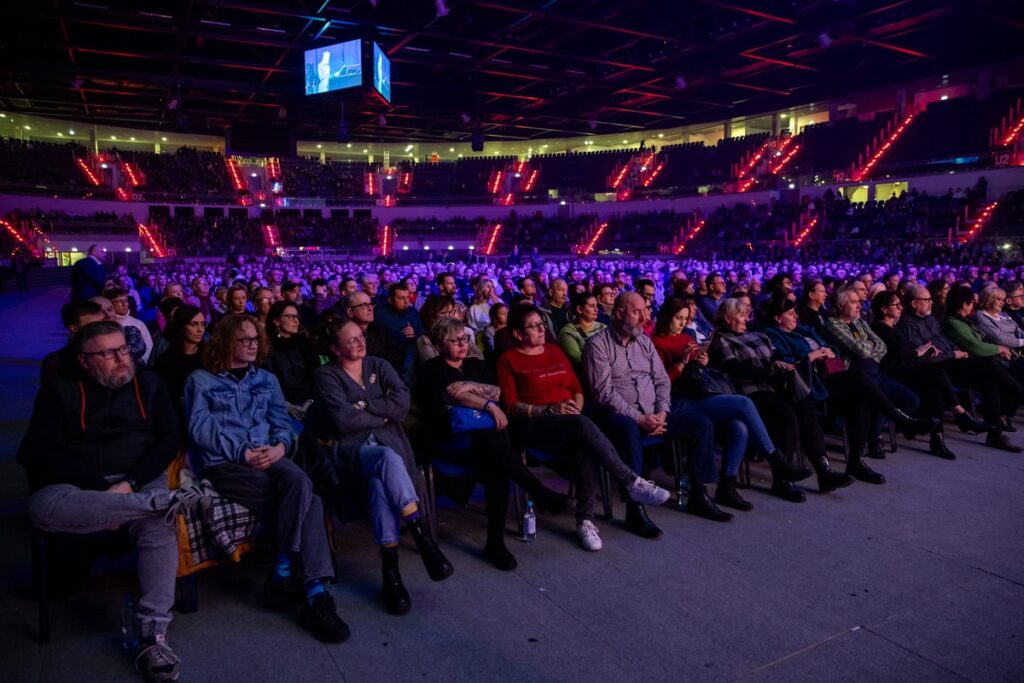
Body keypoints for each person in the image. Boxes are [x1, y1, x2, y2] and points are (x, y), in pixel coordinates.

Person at [19, 321, 208, 682]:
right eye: (108, 353)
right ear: (85, 361)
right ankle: (167, 502)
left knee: (160, 532)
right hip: (78, 489)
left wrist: (130, 484)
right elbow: (42, 451)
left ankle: (153, 637)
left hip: (138, 481)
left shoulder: (149, 383)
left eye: (123, 349)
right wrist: (105, 493)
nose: (122, 359)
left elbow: (168, 439)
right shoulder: (58, 392)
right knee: (43, 510)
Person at [184, 315, 349, 642]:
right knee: (310, 500)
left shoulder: (267, 380)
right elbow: (201, 430)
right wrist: (243, 452)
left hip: (269, 456)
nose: (251, 345)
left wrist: (280, 446)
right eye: (243, 339)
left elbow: (282, 423)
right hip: (228, 464)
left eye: (255, 339)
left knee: (300, 484)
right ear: (225, 343)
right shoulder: (201, 381)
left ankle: (286, 574)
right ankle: (312, 590)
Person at [307, 319, 453, 615]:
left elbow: (401, 404)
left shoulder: (379, 365)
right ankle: (421, 533)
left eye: (361, 336)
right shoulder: (327, 376)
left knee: (379, 481)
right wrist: (380, 410)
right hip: (350, 454)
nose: (361, 342)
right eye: (352, 340)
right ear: (336, 349)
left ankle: (391, 572)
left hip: (390, 448)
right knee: (384, 458)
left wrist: (363, 407)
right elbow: (342, 420)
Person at [497, 304, 670, 550]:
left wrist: (574, 410)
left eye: (541, 324)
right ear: (517, 334)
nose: (541, 329)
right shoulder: (508, 360)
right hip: (532, 423)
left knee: (585, 449)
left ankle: (585, 522)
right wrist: (550, 410)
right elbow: (511, 406)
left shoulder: (555, 352)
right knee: (582, 426)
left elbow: (577, 389)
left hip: (568, 420)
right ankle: (631, 481)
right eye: (533, 326)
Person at [652, 297, 843, 504]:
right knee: (750, 405)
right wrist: (683, 361)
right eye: (678, 318)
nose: (682, 323)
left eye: (686, 318)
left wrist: (701, 362)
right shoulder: (657, 343)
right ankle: (776, 460)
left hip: (702, 392)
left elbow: (700, 374)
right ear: (666, 317)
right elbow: (662, 382)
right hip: (682, 399)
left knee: (740, 427)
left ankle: (727, 486)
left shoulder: (685, 339)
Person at [416, 317, 568, 570]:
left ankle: (495, 542)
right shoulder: (432, 368)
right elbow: (452, 394)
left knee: (496, 464)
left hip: (483, 440)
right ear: (440, 345)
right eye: (454, 341)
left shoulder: (475, 364)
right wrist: (487, 405)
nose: (462, 344)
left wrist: (470, 387)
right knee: (492, 444)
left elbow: (497, 391)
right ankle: (539, 492)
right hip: (449, 439)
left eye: (464, 338)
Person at [584, 293, 735, 528]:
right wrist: (639, 418)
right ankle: (635, 509)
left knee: (700, 424)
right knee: (627, 431)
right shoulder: (598, 345)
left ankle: (699, 495)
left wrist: (662, 412)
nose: (645, 317)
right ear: (619, 313)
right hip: (619, 415)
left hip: (654, 413)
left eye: (645, 310)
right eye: (637, 312)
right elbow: (603, 393)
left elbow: (662, 381)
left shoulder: (644, 342)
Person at [897, 284, 1024, 452]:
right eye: (927, 300)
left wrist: (956, 351)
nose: (931, 303)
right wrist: (953, 354)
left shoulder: (930, 318)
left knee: (990, 380)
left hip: (950, 361)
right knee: (988, 363)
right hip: (936, 367)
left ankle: (995, 434)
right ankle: (1019, 392)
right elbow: (924, 356)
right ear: (914, 304)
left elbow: (943, 341)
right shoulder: (907, 324)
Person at [870, 290, 991, 460]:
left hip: (908, 368)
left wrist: (920, 351)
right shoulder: (880, 328)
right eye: (895, 305)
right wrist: (917, 353)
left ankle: (938, 440)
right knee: (937, 374)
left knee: (935, 388)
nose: (900, 307)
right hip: (895, 372)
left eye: (900, 304)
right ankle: (960, 414)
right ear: (884, 309)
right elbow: (902, 352)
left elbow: (909, 350)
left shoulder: (894, 327)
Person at [822, 288, 932, 459]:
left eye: (859, 301)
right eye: (854, 302)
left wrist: (868, 347)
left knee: (911, 400)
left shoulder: (859, 322)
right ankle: (876, 438)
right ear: (840, 305)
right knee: (875, 401)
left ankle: (875, 433)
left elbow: (882, 347)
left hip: (875, 373)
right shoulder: (832, 324)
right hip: (855, 377)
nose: (859, 305)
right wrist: (869, 346)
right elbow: (859, 350)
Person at [265, 300, 320, 422]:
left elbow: (316, 374)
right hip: (280, 406)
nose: (296, 321)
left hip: (311, 401)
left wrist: (309, 401)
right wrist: (286, 405)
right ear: (277, 321)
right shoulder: (267, 349)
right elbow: (267, 384)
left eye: (297, 317)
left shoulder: (304, 344)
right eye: (290, 317)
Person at [153, 304, 207, 419]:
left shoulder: (211, 355)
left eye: (203, 324)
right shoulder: (165, 362)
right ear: (181, 326)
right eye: (194, 324)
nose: (200, 329)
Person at [340, 291, 406, 375]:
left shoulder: (383, 331)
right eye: (364, 305)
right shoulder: (342, 336)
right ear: (350, 312)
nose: (371, 309)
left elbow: (398, 357)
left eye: (371, 304)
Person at [40, 299, 106, 383]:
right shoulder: (56, 363)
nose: (102, 328)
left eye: (103, 322)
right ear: (74, 329)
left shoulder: (116, 349)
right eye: (94, 325)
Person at [374, 283, 424, 374]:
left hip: (413, 356)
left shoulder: (413, 312)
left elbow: (422, 333)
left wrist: (414, 334)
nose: (406, 301)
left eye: (407, 297)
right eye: (401, 298)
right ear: (390, 299)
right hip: (388, 360)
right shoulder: (378, 314)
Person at [557, 291, 606, 371]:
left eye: (596, 306)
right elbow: (576, 358)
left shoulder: (603, 326)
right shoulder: (568, 332)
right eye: (591, 306)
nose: (596, 309)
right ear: (579, 309)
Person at [106, 286, 154, 362]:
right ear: (111, 304)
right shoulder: (107, 324)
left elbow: (149, 347)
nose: (124, 304)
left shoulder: (138, 324)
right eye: (119, 301)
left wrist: (140, 360)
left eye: (126, 301)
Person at [974, 286, 1024, 352]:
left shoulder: (1003, 314)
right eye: (999, 299)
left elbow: (1018, 330)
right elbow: (1000, 339)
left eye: (1003, 300)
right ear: (988, 300)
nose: (1002, 303)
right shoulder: (981, 316)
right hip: (1008, 355)